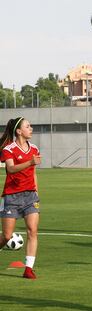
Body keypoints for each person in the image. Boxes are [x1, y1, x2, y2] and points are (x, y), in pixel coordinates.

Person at [0, 117, 42, 279]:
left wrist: (36, 192)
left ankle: (28, 268)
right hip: (11, 197)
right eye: (28, 126)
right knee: (7, 236)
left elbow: (34, 173)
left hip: (30, 196)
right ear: (19, 131)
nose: (31, 128)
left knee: (33, 231)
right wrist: (30, 162)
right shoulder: (8, 149)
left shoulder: (34, 148)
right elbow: (10, 169)